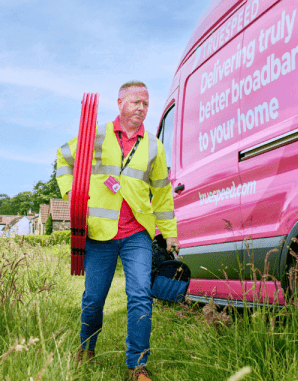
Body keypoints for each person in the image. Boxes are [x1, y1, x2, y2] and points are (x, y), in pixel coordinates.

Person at [56, 80, 180, 381]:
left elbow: (162, 192)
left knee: (140, 295)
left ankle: (137, 365)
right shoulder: (96, 135)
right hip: (100, 232)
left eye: (146, 104)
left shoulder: (154, 145)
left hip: (137, 232)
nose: (141, 108)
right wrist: (72, 195)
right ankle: (86, 349)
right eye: (136, 102)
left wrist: (170, 232)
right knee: (94, 299)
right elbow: (63, 158)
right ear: (120, 103)